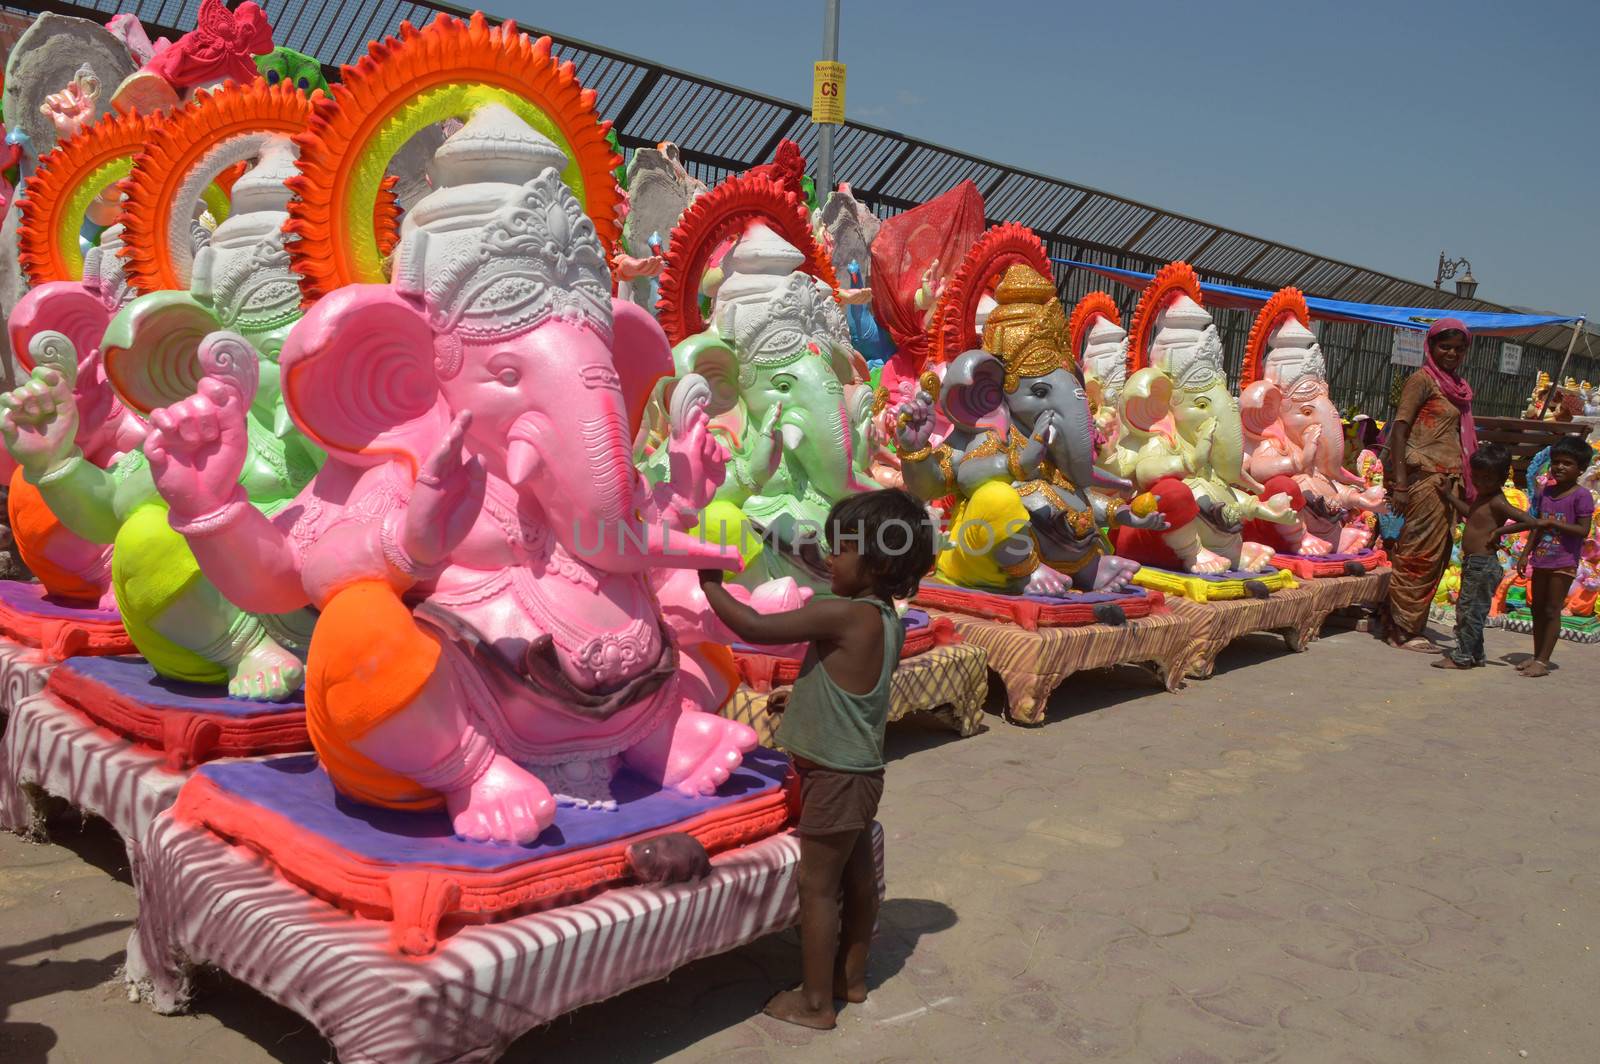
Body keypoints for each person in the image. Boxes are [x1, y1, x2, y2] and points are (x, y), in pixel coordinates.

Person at [697, 488, 935, 1030]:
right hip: (861, 773)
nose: (829, 557)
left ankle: (814, 1002)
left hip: (834, 777)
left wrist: (710, 583)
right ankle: (851, 978)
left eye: (841, 549)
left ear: (877, 561)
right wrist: (802, 694)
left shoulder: (840, 614)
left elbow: (755, 628)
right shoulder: (886, 619)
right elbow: (858, 687)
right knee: (856, 880)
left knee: (818, 887)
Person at [1380, 318, 1477, 651]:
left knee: (1437, 555)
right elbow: (1400, 430)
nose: (1451, 353)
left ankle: (1405, 620)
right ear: (1431, 347)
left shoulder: (1458, 387)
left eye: (1459, 348)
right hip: (1425, 478)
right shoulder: (1421, 380)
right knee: (1417, 553)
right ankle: (1401, 629)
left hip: (1448, 482)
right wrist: (1402, 484)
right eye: (1445, 346)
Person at [1431, 444, 1538, 670]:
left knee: (1470, 613)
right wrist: (1449, 496)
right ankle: (1476, 654)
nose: (1480, 482)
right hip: (1474, 563)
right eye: (1476, 476)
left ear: (1500, 478)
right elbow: (1470, 514)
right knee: (1469, 609)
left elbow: (1530, 521)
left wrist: (1500, 532)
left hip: (1483, 564)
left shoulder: (1497, 500)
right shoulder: (1483, 497)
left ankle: (1461, 657)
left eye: (1487, 478)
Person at [1518, 435, 1596, 676]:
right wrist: (1525, 554)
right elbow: (1536, 526)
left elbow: (1583, 530)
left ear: (1581, 469)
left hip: (1563, 561)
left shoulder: (1580, 495)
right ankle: (1536, 654)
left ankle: (1543, 661)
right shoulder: (1545, 492)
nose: (1560, 467)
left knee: (1552, 609)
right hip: (1541, 558)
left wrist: (1553, 522)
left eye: (1567, 463)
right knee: (1536, 608)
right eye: (1557, 462)